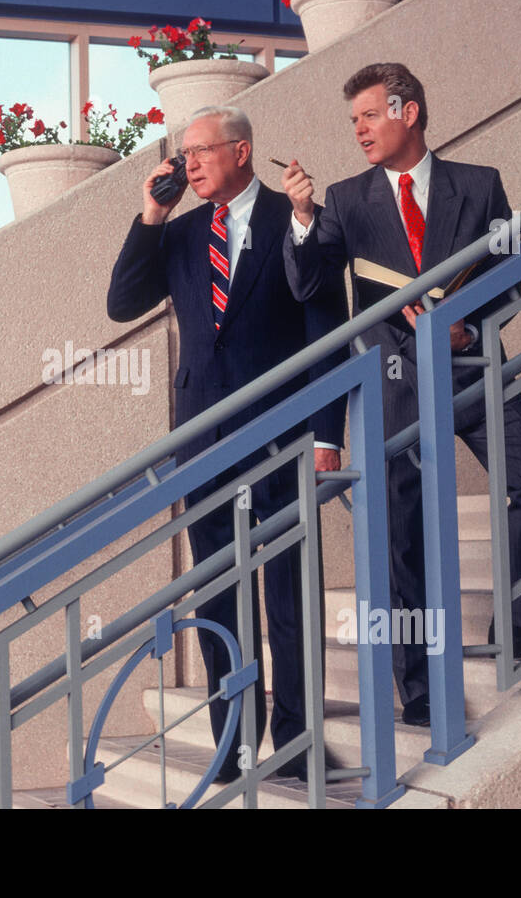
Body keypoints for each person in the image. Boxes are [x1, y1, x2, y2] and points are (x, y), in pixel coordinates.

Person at [281, 63, 521, 728]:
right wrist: (302, 218)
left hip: (466, 368)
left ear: (408, 112)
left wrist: (474, 324)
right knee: (402, 533)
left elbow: (510, 278)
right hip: (392, 385)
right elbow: (310, 285)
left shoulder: (480, 185)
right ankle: (420, 686)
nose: (360, 131)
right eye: (354, 122)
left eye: (369, 116)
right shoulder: (345, 201)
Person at [107, 105, 349, 783]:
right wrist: (151, 215)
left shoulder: (296, 217)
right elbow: (122, 302)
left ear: (242, 151)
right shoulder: (180, 233)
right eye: (184, 156)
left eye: (200, 152)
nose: (189, 165)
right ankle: (233, 746)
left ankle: (298, 745)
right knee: (218, 596)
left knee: (288, 597)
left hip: (283, 433)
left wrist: (328, 433)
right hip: (203, 442)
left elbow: (326, 325)